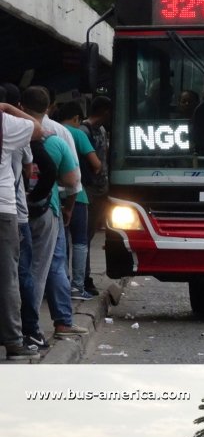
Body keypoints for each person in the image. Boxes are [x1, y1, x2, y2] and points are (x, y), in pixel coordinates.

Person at [21, 86, 88, 340]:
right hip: (47, 209)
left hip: (15, 210)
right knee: (46, 267)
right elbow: (73, 181)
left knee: (17, 269)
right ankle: (44, 325)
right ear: (49, 107)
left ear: (20, 104)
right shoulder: (58, 136)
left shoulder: (12, 133)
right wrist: (67, 207)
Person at [1, 98, 43, 361]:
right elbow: (37, 129)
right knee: (7, 278)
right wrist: (6, 107)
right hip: (3, 208)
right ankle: (14, 340)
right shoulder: (4, 121)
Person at [59, 100, 101, 300]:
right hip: (78, 194)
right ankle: (77, 287)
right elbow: (96, 163)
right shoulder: (78, 134)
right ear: (76, 118)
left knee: (61, 241)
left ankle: (59, 284)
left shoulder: (50, 130)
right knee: (80, 241)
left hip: (54, 194)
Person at [79, 95, 111, 296]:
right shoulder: (84, 131)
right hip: (90, 190)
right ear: (106, 112)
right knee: (85, 235)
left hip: (101, 190)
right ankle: (83, 277)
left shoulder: (100, 130)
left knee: (90, 235)